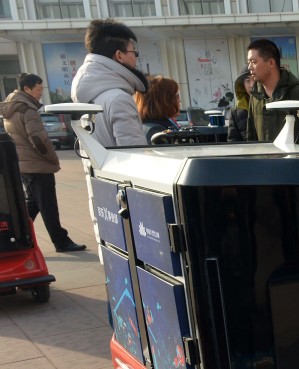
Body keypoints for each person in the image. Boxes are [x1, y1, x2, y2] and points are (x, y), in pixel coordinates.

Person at [0, 73, 86, 252]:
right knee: (48, 206)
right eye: (38, 89)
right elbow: (38, 140)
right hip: (37, 164)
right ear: (27, 89)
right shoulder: (28, 109)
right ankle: (61, 241)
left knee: (32, 204)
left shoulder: (12, 106)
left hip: (24, 163)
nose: (40, 93)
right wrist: (52, 158)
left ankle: (14, 237)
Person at [71, 19, 148, 147]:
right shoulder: (118, 99)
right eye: (133, 51)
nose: (135, 57)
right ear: (119, 55)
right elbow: (134, 155)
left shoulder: (88, 96)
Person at [244, 38, 299, 142]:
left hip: (294, 157)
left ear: (271, 63)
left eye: (254, 62)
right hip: (264, 158)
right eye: (249, 62)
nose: (249, 67)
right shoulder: (255, 97)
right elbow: (251, 137)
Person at [134, 75, 181, 144]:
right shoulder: (156, 131)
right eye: (176, 96)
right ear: (163, 100)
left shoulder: (149, 126)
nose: (179, 100)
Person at [227, 69, 253, 141]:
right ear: (242, 84)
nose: (252, 85)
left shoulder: (269, 104)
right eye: (247, 80)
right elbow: (233, 141)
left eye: (255, 80)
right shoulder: (236, 111)